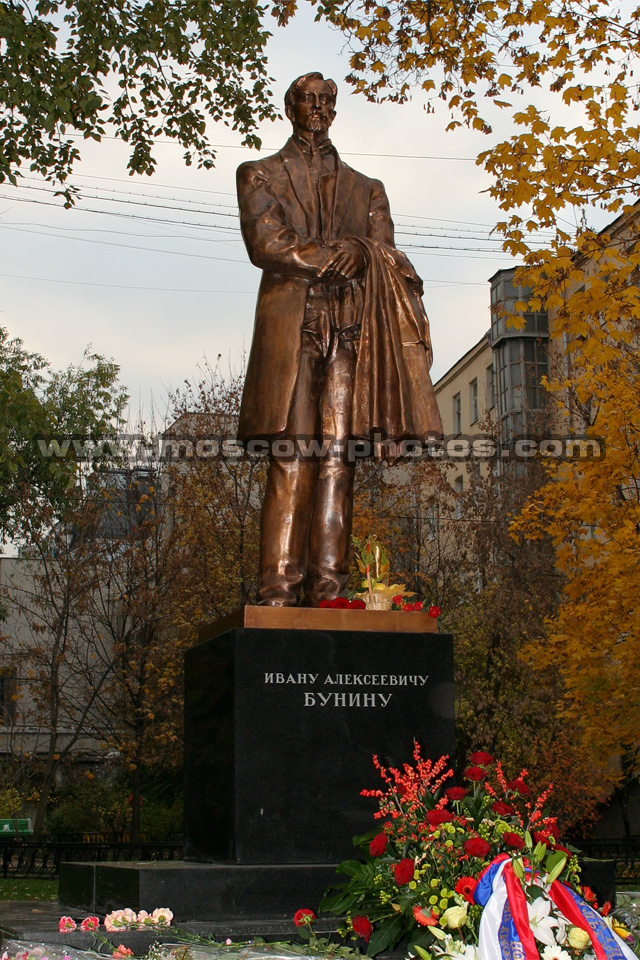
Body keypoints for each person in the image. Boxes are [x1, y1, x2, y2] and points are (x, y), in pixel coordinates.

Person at [236, 71, 441, 607]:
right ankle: (278, 590)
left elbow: (387, 255)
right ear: (291, 106)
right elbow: (269, 244)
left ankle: (330, 591)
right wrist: (337, 257)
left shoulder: (368, 189)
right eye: (310, 99)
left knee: (337, 458)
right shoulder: (258, 174)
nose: (319, 108)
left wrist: (362, 249)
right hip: (293, 333)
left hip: (352, 333)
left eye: (328, 100)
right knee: (291, 454)